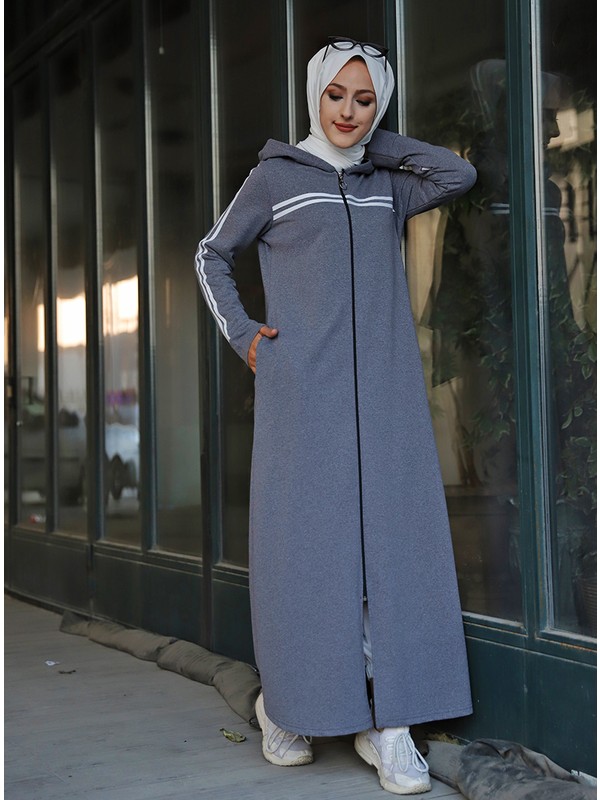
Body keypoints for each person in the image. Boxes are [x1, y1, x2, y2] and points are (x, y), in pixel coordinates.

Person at [195, 37, 476, 796]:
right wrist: (246, 336)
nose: (347, 110)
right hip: (303, 396)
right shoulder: (276, 178)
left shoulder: (387, 183)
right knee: (306, 555)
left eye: (364, 98)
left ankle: (390, 725)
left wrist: (372, 144)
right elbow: (211, 254)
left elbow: (457, 174)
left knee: (394, 552)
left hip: (386, 398)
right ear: (313, 94)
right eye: (336, 95)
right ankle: (288, 707)